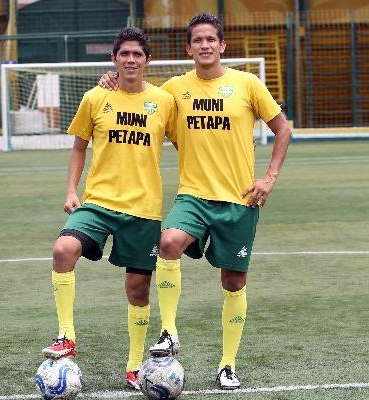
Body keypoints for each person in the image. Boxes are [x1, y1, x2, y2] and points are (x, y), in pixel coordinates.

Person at [99, 13, 292, 390]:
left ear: (222, 45)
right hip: (193, 195)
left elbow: (283, 128)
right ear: (188, 48)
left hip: (239, 201)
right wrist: (111, 81)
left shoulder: (247, 84)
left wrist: (268, 178)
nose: (205, 45)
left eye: (211, 39)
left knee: (234, 282)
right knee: (168, 242)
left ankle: (227, 364)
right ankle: (169, 331)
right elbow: (140, 100)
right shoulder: (173, 90)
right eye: (197, 40)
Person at [41, 27, 177, 390]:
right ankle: (66, 335)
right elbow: (78, 146)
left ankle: (134, 367)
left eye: (137, 54)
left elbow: (188, 142)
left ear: (147, 59)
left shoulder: (164, 101)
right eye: (124, 54)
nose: (130, 59)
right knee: (63, 249)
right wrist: (71, 189)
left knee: (137, 289)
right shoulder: (96, 97)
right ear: (114, 59)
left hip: (143, 209)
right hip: (99, 202)